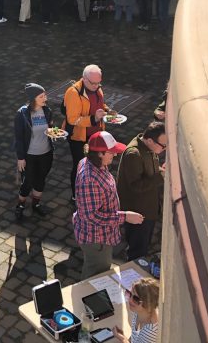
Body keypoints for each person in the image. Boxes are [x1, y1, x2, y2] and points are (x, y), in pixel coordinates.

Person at [74, 131, 144, 279]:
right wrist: (125, 217)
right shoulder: (89, 180)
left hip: (102, 235)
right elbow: (91, 216)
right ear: (100, 153)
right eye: (111, 152)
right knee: (96, 274)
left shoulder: (94, 163)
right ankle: (89, 299)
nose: (115, 155)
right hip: (96, 239)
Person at [117, 121, 167, 261]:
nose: (165, 148)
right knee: (137, 249)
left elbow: (149, 171)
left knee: (143, 244)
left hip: (148, 208)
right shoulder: (134, 154)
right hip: (139, 211)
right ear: (150, 140)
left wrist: (160, 170)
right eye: (163, 145)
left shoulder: (148, 147)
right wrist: (160, 176)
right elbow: (136, 186)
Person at [63, 64, 110, 199]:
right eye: (93, 83)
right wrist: (93, 119)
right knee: (80, 166)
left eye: (98, 83)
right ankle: (76, 195)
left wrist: (107, 110)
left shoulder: (97, 88)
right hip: (79, 137)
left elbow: (99, 104)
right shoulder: (73, 93)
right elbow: (72, 119)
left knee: (96, 163)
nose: (96, 86)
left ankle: (93, 191)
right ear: (84, 78)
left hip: (95, 134)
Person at [13, 84, 55, 222]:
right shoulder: (22, 113)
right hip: (29, 155)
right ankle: (20, 205)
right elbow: (18, 137)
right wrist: (20, 157)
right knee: (28, 181)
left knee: (40, 179)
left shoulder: (47, 111)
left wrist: (53, 132)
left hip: (46, 153)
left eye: (45, 95)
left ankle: (36, 204)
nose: (45, 99)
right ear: (33, 98)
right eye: (41, 96)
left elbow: (50, 127)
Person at [113, 278, 160, 343]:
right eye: (130, 294)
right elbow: (135, 338)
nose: (130, 300)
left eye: (136, 299)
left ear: (148, 303)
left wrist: (123, 339)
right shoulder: (138, 311)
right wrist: (125, 338)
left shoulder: (151, 332)